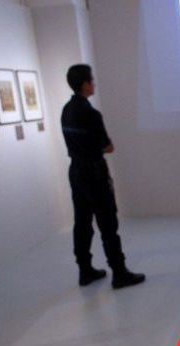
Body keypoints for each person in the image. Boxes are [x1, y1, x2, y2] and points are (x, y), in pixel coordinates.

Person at [61, 64, 145, 289]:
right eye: (92, 80)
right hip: (94, 174)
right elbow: (108, 147)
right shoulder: (90, 113)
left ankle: (85, 270)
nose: (94, 84)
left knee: (82, 223)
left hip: (76, 172)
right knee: (108, 224)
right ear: (85, 84)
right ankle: (119, 272)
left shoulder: (66, 111)